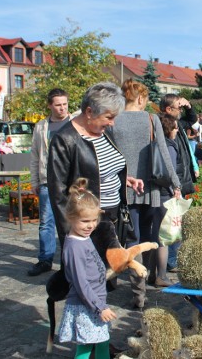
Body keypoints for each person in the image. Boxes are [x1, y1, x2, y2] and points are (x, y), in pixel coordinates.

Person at [48, 83, 143, 274]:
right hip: (88, 224)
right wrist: (73, 236)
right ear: (89, 112)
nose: (112, 123)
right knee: (90, 280)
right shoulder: (65, 139)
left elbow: (99, 169)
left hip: (112, 218)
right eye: (109, 117)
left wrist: (123, 180)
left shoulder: (102, 133)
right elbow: (58, 195)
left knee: (108, 276)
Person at [112, 80, 180, 292]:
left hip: (125, 188)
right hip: (151, 189)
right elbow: (164, 154)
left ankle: (137, 289)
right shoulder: (151, 119)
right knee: (151, 236)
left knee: (130, 238)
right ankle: (151, 277)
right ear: (140, 98)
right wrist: (175, 184)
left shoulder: (113, 120)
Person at [57, 178, 117, 359]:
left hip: (95, 303)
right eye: (84, 221)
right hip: (87, 306)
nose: (90, 225)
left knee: (102, 342)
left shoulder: (83, 236)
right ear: (70, 218)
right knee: (85, 348)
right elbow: (81, 283)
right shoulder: (74, 247)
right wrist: (100, 308)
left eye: (93, 220)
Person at [28, 88, 71, 277]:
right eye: (58, 105)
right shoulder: (41, 127)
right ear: (50, 105)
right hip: (47, 181)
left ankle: (69, 260)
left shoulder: (75, 123)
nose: (62, 108)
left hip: (71, 183)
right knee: (46, 223)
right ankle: (45, 259)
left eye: (65, 104)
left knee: (70, 223)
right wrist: (35, 180)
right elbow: (35, 156)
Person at [159, 114, 184, 272]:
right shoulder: (170, 146)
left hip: (165, 190)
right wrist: (176, 188)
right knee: (172, 228)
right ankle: (172, 260)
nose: (177, 130)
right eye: (175, 127)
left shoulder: (164, 144)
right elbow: (171, 170)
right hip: (169, 191)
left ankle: (171, 259)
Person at [160, 94, 198, 195]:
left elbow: (192, 120)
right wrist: (176, 184)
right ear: (169, 109)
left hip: (180, 177)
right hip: (173, 180)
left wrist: (188, 107)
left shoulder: (177, 123)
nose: (181, 110)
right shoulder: (163, 125)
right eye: (179, 107)